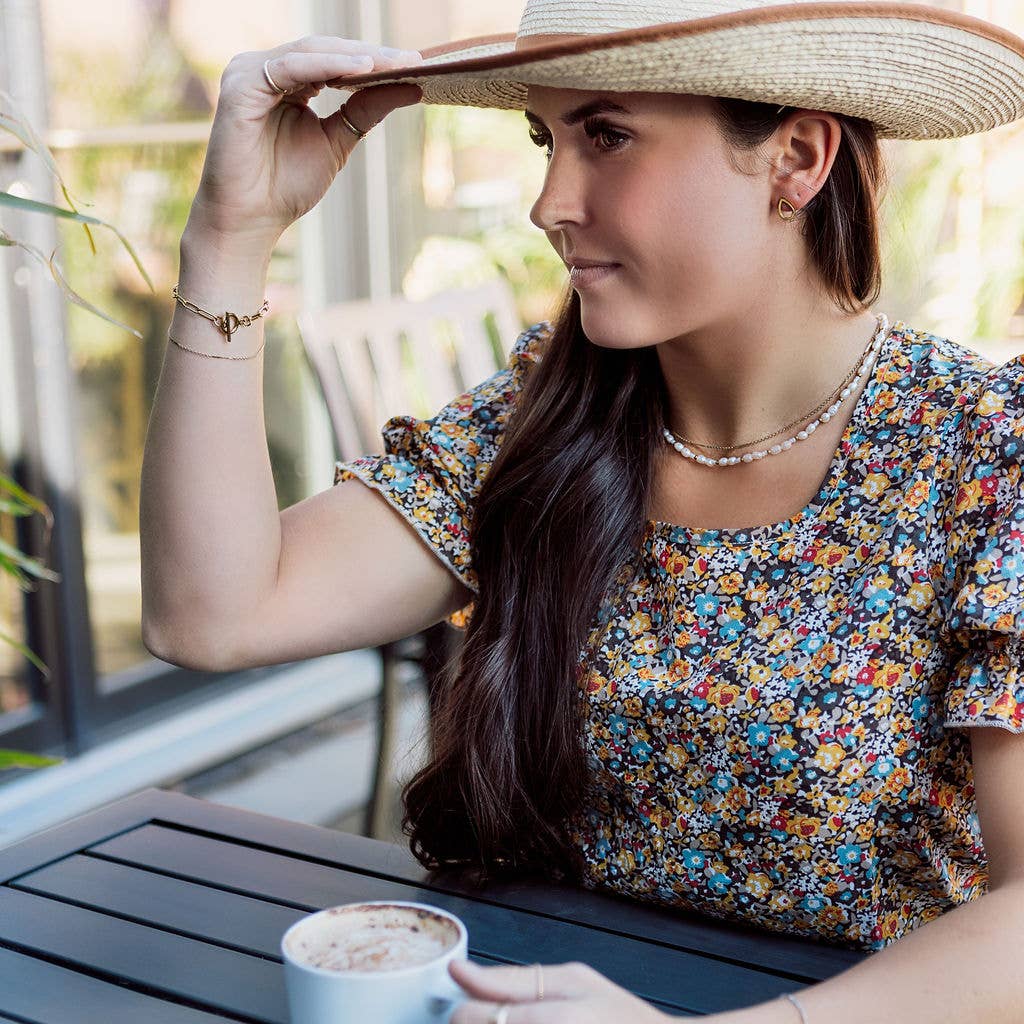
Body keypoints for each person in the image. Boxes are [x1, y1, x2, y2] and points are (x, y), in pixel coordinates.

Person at [138, 2, 1024, 1022]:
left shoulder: (983, 452)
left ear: (795, 157)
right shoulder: (542, 421)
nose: (549, 201)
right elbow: (209, 614)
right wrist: (228, 237)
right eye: (544, 139)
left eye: (605, 135)